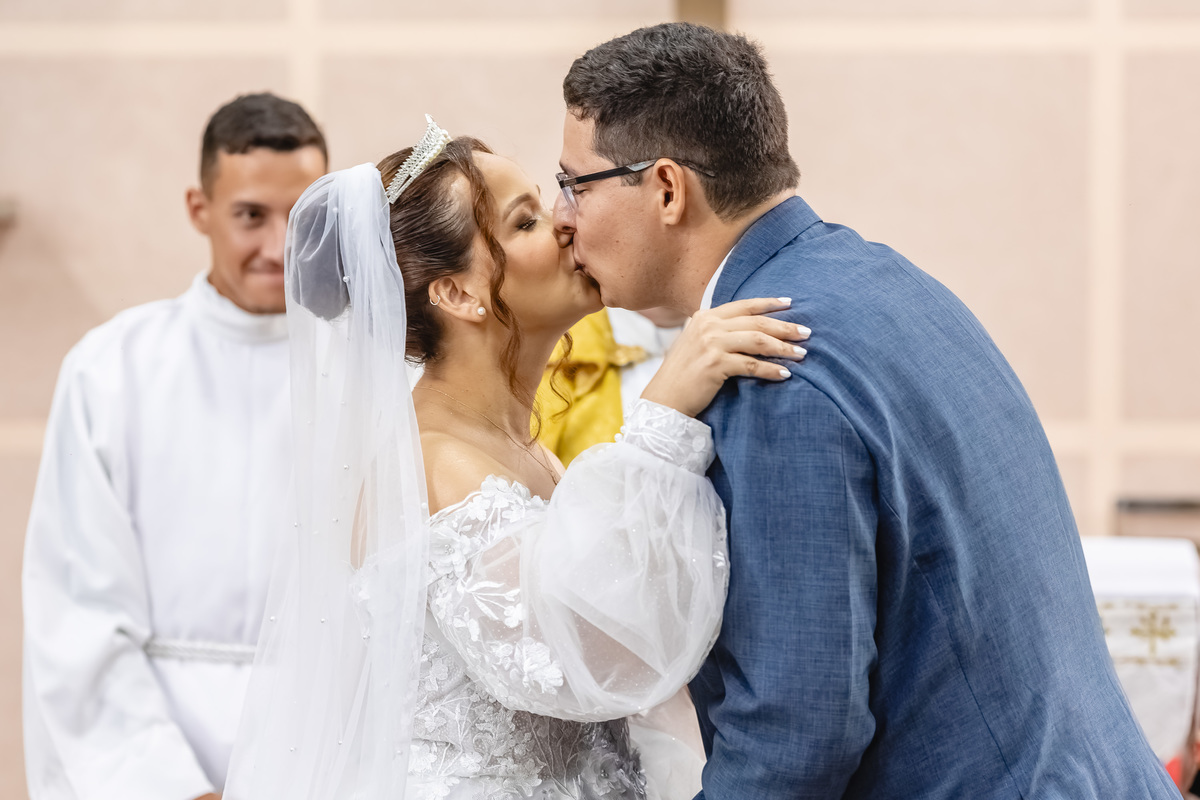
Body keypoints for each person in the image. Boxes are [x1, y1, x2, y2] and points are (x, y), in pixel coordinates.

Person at [554, 22, 1178, 799]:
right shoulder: (879, 278)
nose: (562, 217)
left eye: (574, 183)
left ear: (668, 190)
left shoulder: (772, 364)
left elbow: (796, 734)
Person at [223, 119, 806, 800]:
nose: (565, 223)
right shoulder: (438, 467)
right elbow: (588, 658)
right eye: (526, 221)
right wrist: (663, 417)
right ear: (457, 293)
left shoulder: (521, 449)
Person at [22, 93, 327, 800]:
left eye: (301, 216)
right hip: (148, 760)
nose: (278, 247)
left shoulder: (369, 371)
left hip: (319, 751)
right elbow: (78, 612)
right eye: (250, 215)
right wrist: (175, 788)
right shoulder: (111, 368)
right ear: (199, 209)